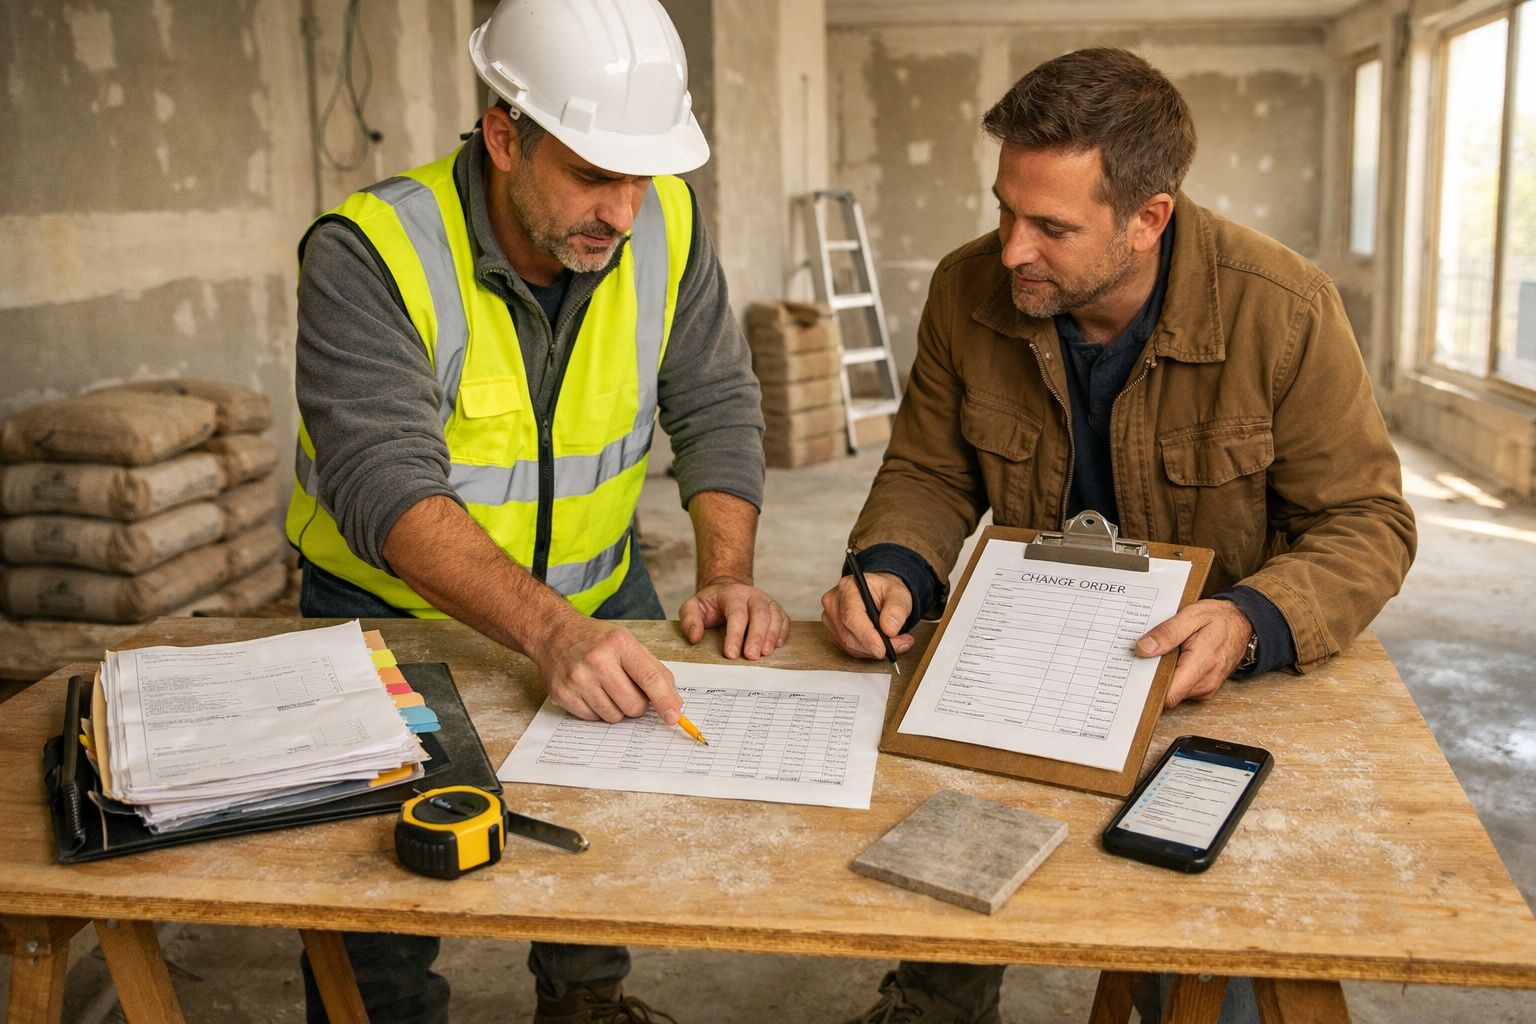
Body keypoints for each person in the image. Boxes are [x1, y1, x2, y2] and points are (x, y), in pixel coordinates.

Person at [821, 48, 1415, 1024]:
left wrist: (1251, 619)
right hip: (1020, 657)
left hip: (1204, 680)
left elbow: (1366, 521)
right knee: (933, 858)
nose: (1011, 249)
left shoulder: (1284, 310)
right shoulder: (964, 291)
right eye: (1005, 210)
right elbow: (929, 470)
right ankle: (938, 998)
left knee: (1200, 947)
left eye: (1052, 228)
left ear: (1149, 218)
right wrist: (893, 566)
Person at [286, 1, 787, 1020]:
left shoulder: (669, 223)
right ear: (504, 136)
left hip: (600, 589)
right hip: (388, 621)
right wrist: (550, 632)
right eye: (594, 174)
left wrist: (727, 571)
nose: (626, 211)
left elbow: (715, 400)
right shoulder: (371, 250)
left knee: (596, 849)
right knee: (378, 895)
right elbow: (385, 481)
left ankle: (585, 1002)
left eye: (641, 177)